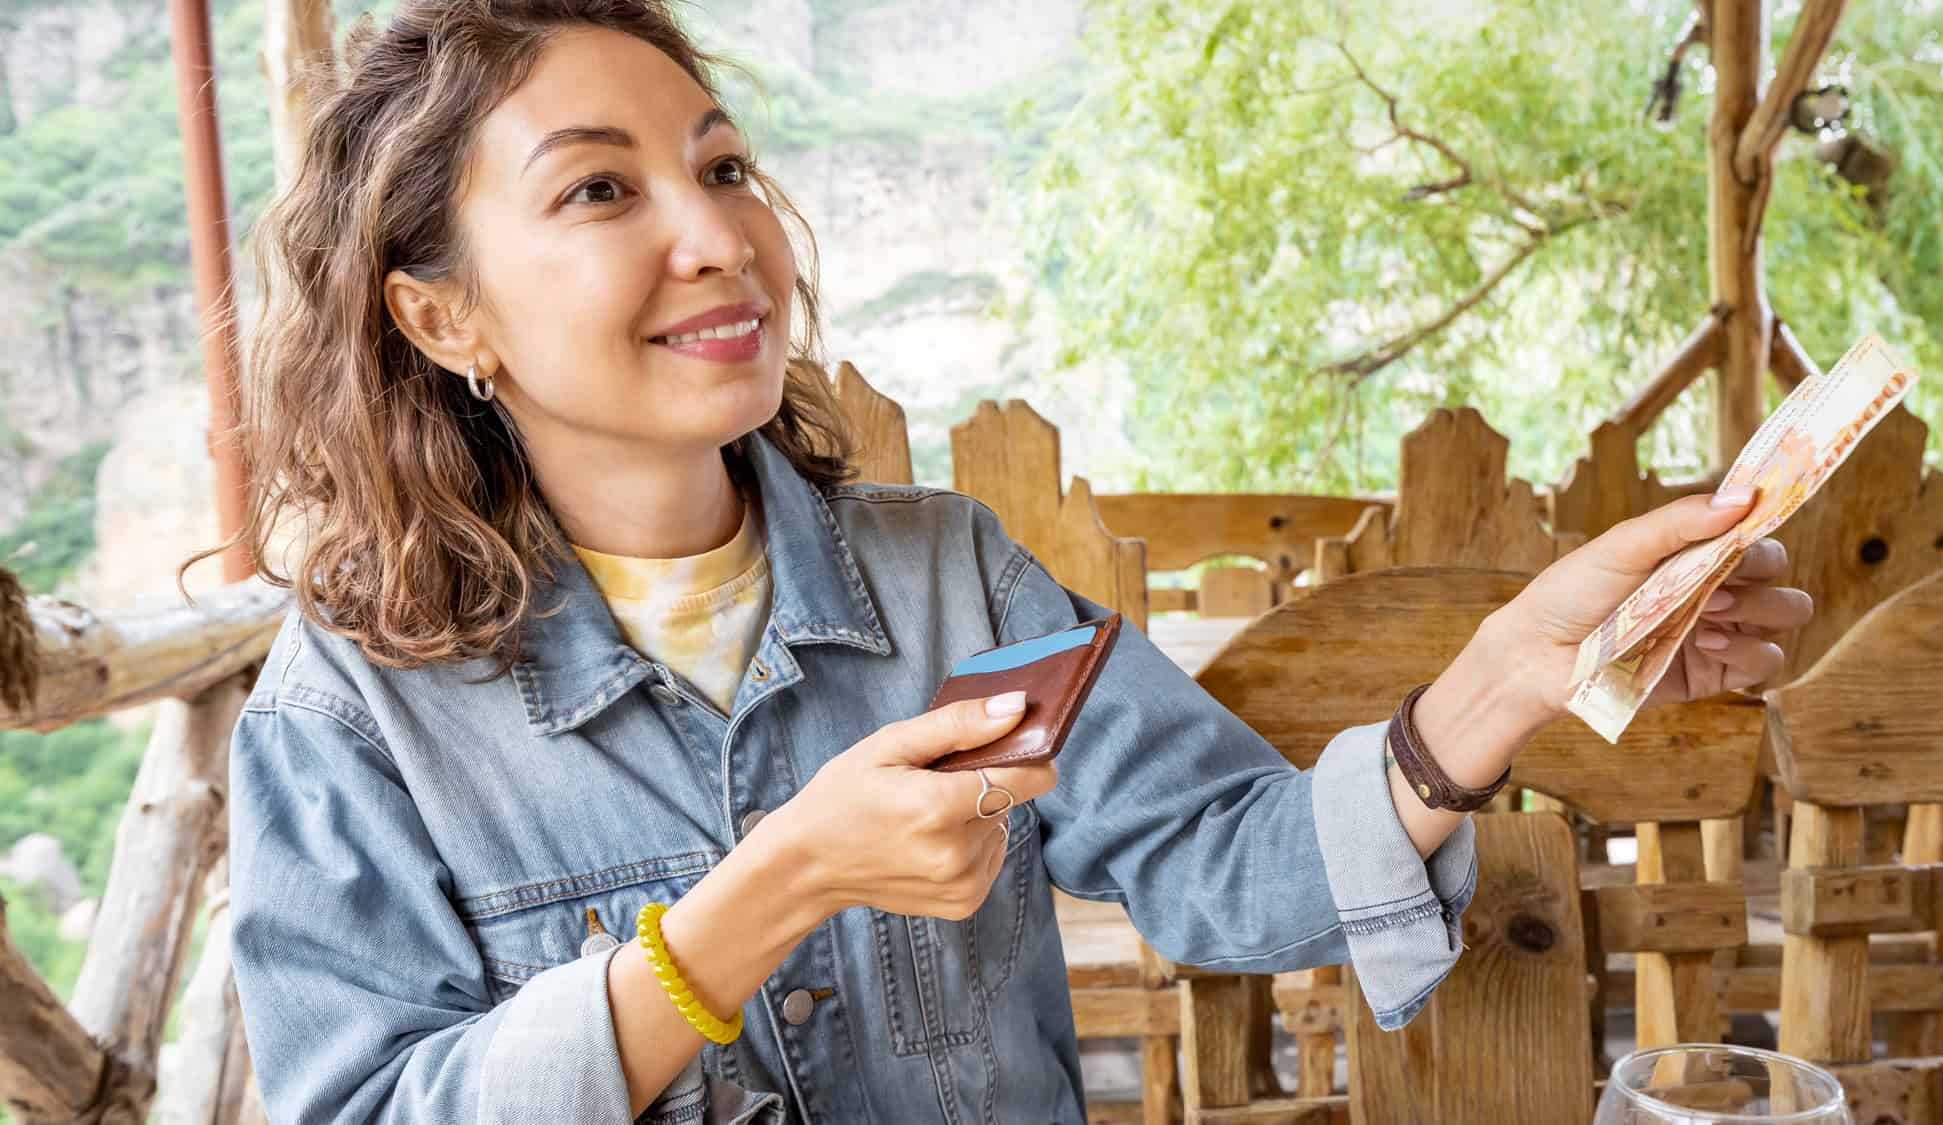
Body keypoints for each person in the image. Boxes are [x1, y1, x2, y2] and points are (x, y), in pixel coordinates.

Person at [214, 1, 1815, 1121]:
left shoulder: (952, 587)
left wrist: (1498, 681)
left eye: (718, 166)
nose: (715, 235)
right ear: (440, 313)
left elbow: (1223, 856)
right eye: (597, 189)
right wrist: (775, 885)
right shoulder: (353, 714)